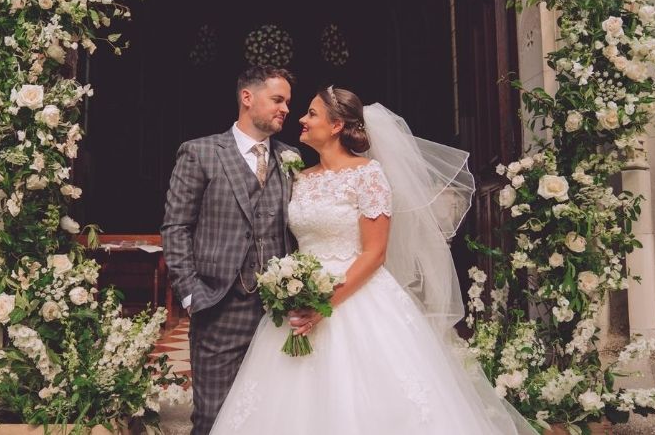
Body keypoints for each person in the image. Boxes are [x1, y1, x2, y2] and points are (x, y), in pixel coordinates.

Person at [210, 86, 537, 434]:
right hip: (300, 298)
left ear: (336, 125)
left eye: (312, 113)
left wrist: (323, 305)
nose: (301, 120)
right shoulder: (299, 179)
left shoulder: (368, 175)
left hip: (355, 295)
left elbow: (374, 253)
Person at [161, 65, 300, 435]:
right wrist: (191, 294)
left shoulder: (290, 158)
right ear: (247, 97)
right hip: (219, 303)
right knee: (213, 417)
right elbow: (176, 227)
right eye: (278, 99)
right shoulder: (200, 153)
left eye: (287, 101)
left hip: (277, 311)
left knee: (272, 415)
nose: (286, 108)